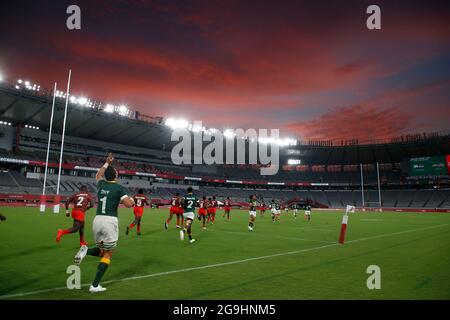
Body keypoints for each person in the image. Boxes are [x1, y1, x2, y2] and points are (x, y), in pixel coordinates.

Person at [73, 153, 135, 293]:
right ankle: (94, 285)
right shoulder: (119, 188)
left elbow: (98, 175)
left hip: (97, 220)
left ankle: (86, 251)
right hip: (110, 221)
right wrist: (131, 200)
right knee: (108, 254)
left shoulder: (101, 184)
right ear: (116, 175)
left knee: (102, 251)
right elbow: (128, 205)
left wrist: (106, 163)